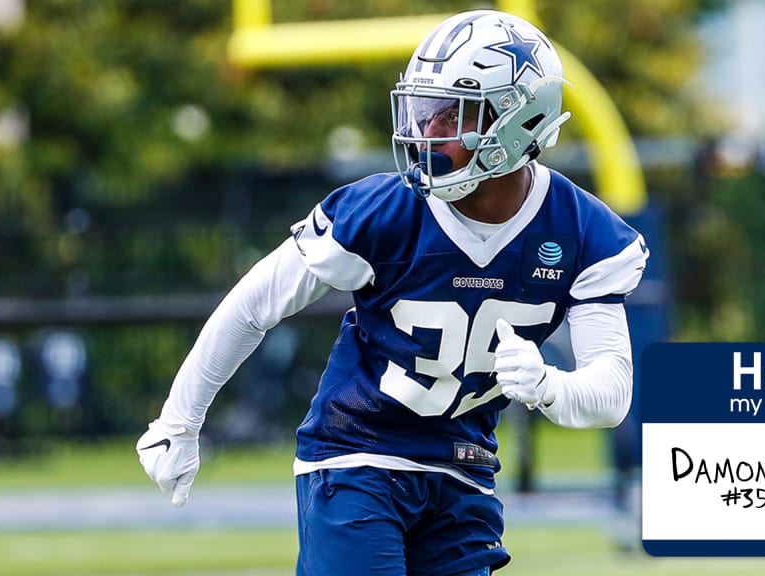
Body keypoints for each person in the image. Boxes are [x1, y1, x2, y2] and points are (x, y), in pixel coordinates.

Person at [137, 9, 648, 576]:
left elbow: (612, 393)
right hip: (357, 452)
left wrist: (550, 385)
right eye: (424, 111)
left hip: (463, 466)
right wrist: (178, 421)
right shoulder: (384, 210)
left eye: (452, 114)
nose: (426, 133)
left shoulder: (582, 231)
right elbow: (254, 303)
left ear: (519, 121)